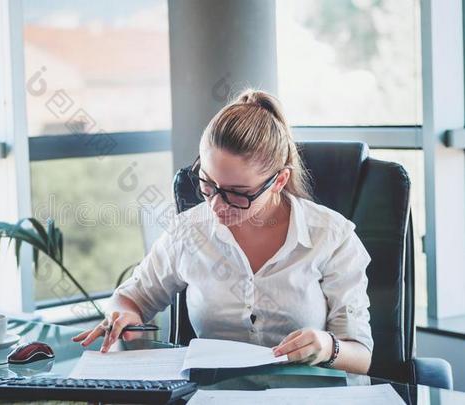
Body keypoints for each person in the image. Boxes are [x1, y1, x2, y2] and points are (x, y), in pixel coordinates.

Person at [72, 89, 373, 374]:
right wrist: (123, 315)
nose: (216, 205)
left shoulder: (331, 237)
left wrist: (326, 348)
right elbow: (129, 299)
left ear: (279, 181)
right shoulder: (189, 232)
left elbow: (361, 357)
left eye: (237, 193)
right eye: (207, 185)